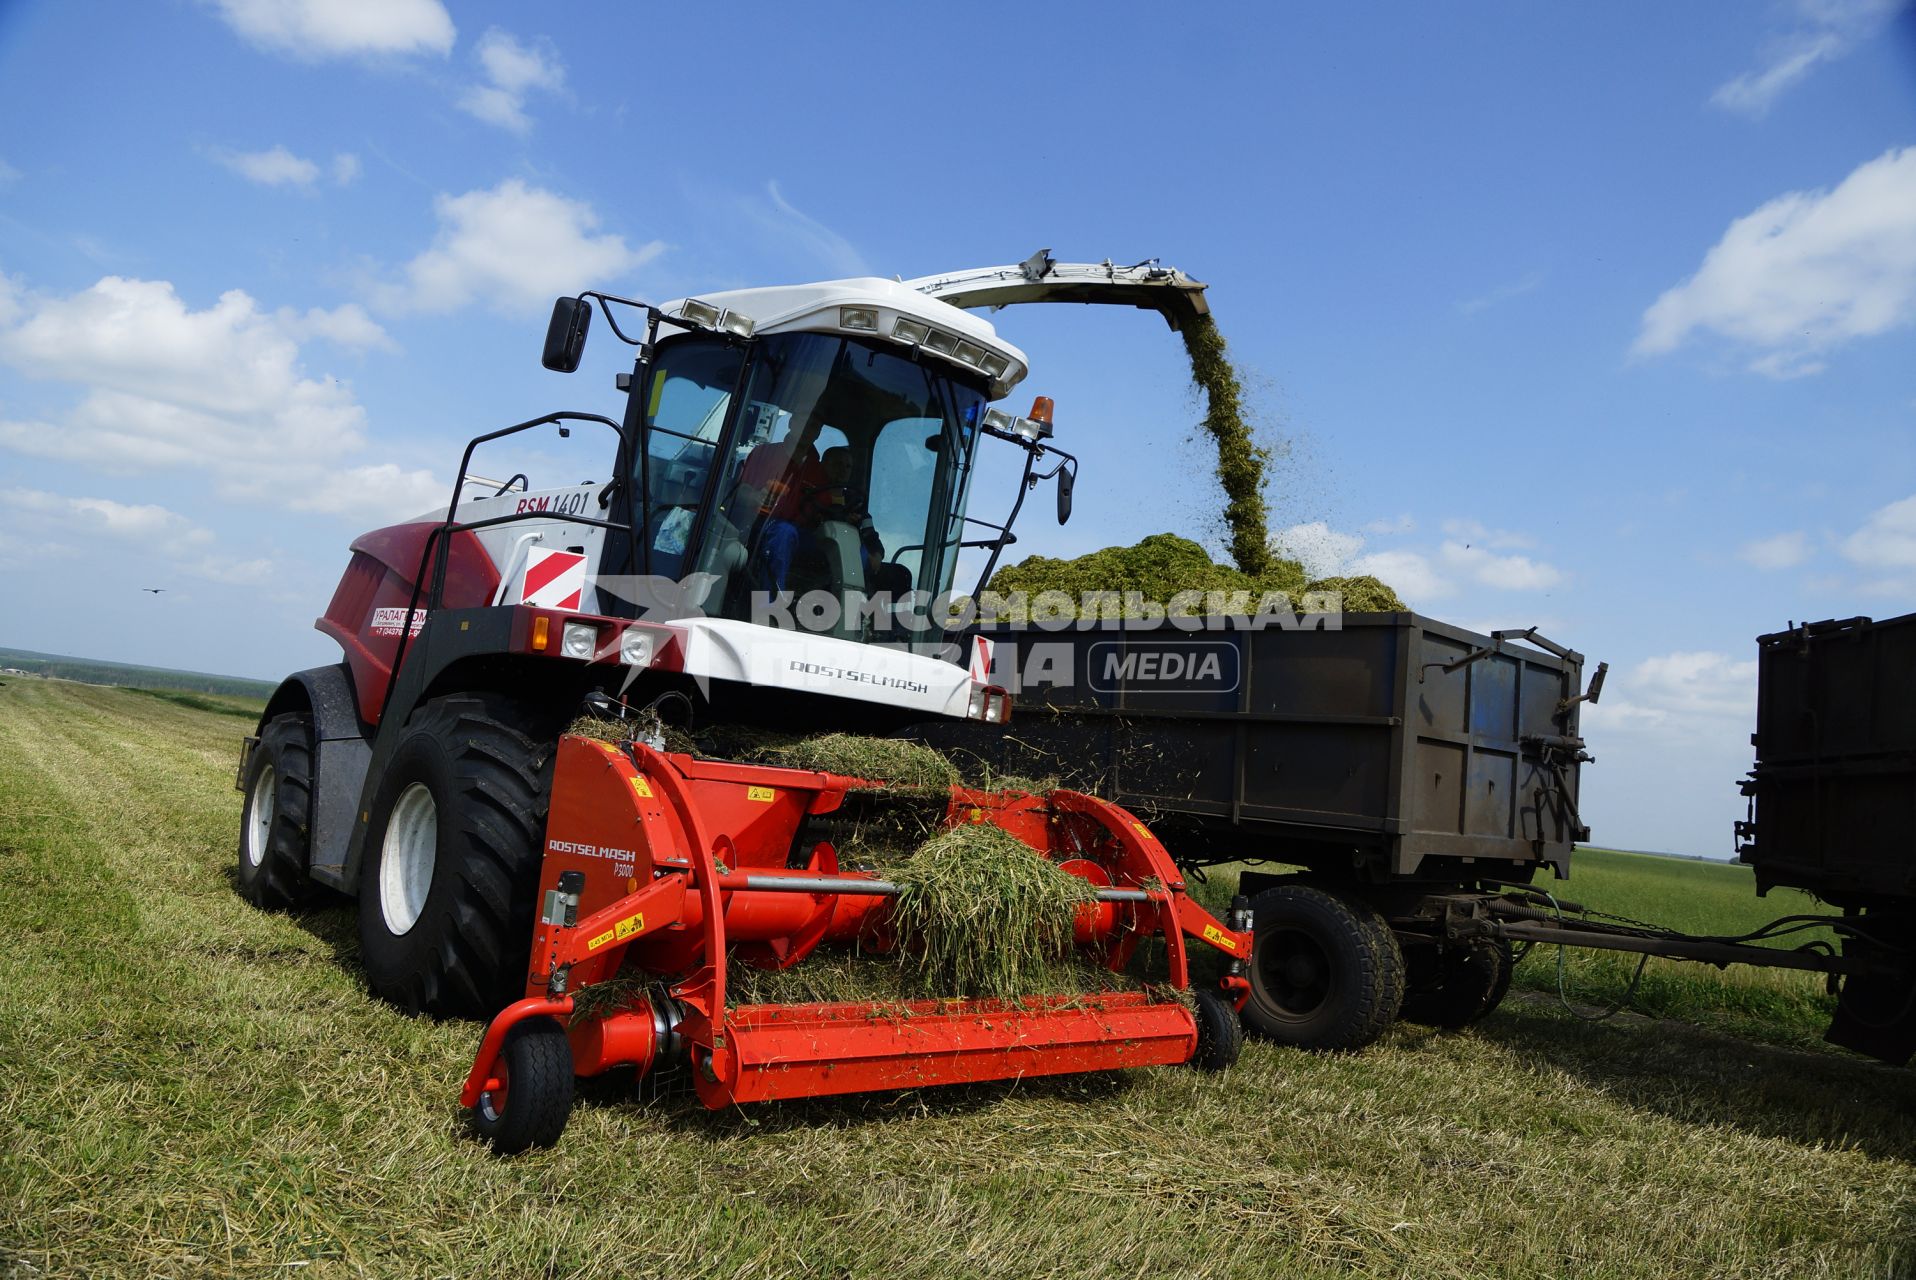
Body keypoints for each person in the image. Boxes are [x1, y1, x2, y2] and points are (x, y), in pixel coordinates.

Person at [736, 415, 828, 594]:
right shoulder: (763, 453)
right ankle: (769, 609)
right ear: (791, 422)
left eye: (815, 425)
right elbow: (740, 490)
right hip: (758, 526)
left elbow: (825, 511)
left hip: (803, 535)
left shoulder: (820, 472)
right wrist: (755, 496)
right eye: (804, 421)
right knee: (783, 533)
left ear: (818, 433)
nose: (809, 428)